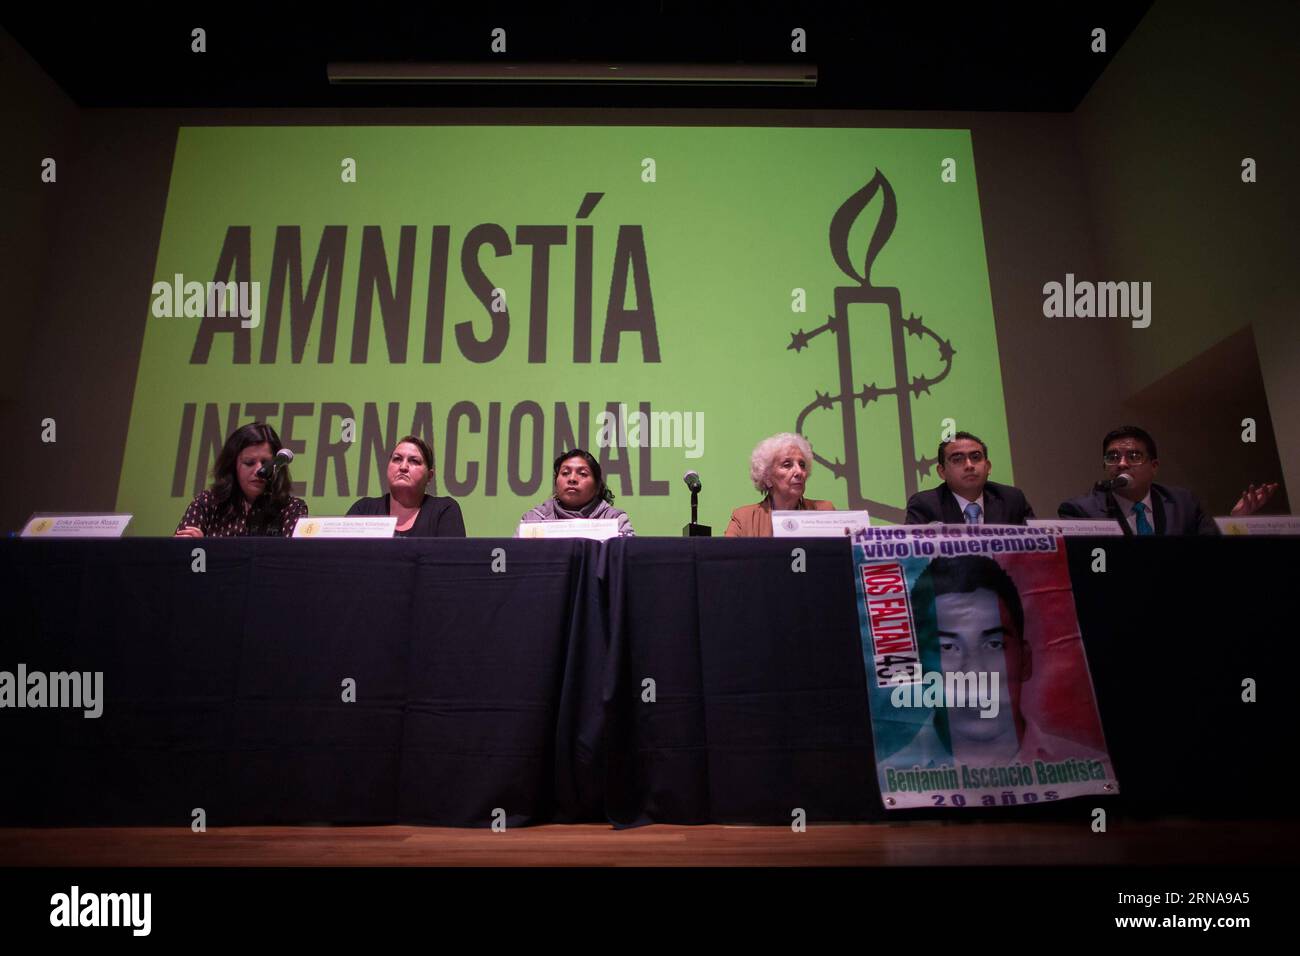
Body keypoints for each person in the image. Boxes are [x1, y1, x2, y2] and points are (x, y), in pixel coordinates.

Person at [887, 556, 1107, 769]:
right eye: (947, 647)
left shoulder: (1095, 767)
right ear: (918, 667)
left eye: (994, 644)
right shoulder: (886, 778)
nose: (974, 672)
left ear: (1025, 661)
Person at [1057, 425, 1279, 535]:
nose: (1122, 464)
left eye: (1133, 456)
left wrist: (1236, 521)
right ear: (1105, 466)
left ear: (1154, 467)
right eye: (1113, 457)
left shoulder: (1183, 502)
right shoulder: (1080, 512)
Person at [175, 422, 307, 537]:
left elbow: (295, 556)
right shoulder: (207, 502)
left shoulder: (291, 508)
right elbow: (178, 552)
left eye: (266, 463)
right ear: (232, 465)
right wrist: (196, 548)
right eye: (249, 463)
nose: (259, 471)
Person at [905, 431, 1034, 526]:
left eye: (976, 457)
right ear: (942, 471)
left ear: (988, 467)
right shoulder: (925, 505)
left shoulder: (1012, 500)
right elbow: (913, 552)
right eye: (957, 459)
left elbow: (1037, 546)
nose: (969, 465)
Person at [346, 435, 465, 537]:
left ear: (429, 476)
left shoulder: (444, 510)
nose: (403, 467)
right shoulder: (364, 510)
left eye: (414, 461)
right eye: (397, 459)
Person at [726, 432, 835, 537]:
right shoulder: (743, 519)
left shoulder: (824, 512)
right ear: (767, 478)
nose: (799, 471)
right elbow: (727, 550)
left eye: (802, 465)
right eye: (787, 465)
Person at [517, 449, 634, 536]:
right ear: (556, 482)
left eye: (582, 474)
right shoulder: (533, 520)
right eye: (565, 473)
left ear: (598, 486)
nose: (572, 479)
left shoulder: (615, 520)